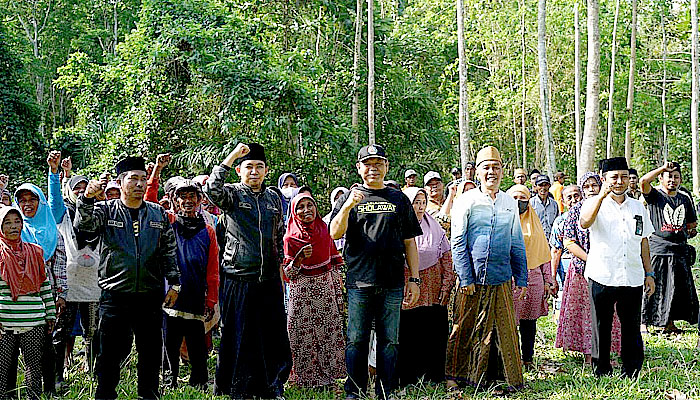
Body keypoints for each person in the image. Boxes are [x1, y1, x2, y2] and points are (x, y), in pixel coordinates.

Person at [75, 156, 181, 399]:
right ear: (120, 183)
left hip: (150, 295)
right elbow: (84, 227)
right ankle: (105, 395)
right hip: (115, 295)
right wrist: (87, 198)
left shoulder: (158, 214)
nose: (139, 184)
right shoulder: (105, 210)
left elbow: (168, 250)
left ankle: (149, 395)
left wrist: (175, 283)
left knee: (150, 353)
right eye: (133, 179)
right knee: (109, 354)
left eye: (143, 179)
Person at [329, 144, 421, 400]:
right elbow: (334, 233)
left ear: (386, 167)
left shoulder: (398, 198)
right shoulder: (348, 197)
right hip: (359, 281)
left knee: (389, 341)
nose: (373, 168)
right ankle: (354, 392)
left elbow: (409, 242)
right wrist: (347, 206)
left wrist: (414, 278)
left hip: (392, 281)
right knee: (356, 340)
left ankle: (385, 391)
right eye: (367, 164)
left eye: (378, 163)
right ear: (359, 168)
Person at [204, 143, 292, 398]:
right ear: (240, 170)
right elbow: (211, 189)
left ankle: (272, 386)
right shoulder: (232, 195)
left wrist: (281, 264)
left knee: (271, 335)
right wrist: (231, 157)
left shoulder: (274, 198)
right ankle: (236, 387)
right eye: (249, 167)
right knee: (238, 335)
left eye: (259, 167)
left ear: (266, 171)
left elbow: (278, 234)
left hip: (269, 280)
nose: (254, 172)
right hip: (238, 277)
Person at [446, 146, 527, 392]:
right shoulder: (466, 201)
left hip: (501, 276)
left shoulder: (509, 203)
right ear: (477, 172)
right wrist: (465, 276)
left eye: (496, 167)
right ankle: (454, 376)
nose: (492, 172)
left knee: (505, 328)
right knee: (464, 327)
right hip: (472, 278)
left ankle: (508, 378)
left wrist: (521, 277)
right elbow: (457, 241)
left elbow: (516, 241)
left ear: (502, 171)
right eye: (486, 167)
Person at [580, 157, 655, 378]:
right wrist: (601, 195)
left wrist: (648, 273)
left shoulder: (638, 206)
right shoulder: (593, 203)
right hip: (602, 274)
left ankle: (631, 369)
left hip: (631, 275)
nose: (619, 181)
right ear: (604, 179)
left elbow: (643, 241)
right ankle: (602, 369)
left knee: (631, 326)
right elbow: (584, 222)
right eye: (614, 177)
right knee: (601, 325)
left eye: (624, 177)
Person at [14, 150, 68, 393]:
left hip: (46, 297)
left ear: (39, 202)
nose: (27, 204)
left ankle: (50, 387)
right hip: (19, 299)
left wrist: (61, 294)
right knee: (18, 346)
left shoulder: (51, 228)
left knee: (48, 342)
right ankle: (17, 389)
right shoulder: (13, 231)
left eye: (32, 199)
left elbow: (59, 264)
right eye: (22, 200)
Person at [556, 172, 621, 364]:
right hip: (582, 270)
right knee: (587, 314)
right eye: (587, 187)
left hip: (610, 269)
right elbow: (569, 241)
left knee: (610, 312)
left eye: (594, 185)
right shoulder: (576, 210)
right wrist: (590, 259)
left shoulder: (610, 207)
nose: (591, 189)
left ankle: (608, 352)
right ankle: (589, 354)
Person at [283, 193, 346, 389]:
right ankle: (304, 379)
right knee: (302, 335)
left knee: (327, 333)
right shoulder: (290, 237)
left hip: (324, 292)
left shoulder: (323, 231)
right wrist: (299, 259)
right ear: (294, 211)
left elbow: (334, 264)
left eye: (309, 205)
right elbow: (288, 274)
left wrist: (338, 295)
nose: (306, 210)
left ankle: (328, 379)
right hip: (301, 295)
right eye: (300, 207)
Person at [162, 180, 219, 389]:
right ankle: (169, 381)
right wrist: (155, 174)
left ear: (200, 200)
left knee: (197, 344)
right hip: (171, 295)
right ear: (175, 201)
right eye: (183, 197)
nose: (188, 201)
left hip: (196, 294)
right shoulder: (169, 223)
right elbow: (147, 205)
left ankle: (200, 382)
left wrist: (211, 299)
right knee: (170, 343)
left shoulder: (208, 231)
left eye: (192, 196)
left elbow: (213, 270)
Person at [398, 187, 454, 386]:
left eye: (422, 202)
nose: (420, 207)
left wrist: (446, 286)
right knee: (408, 333)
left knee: (433, 333)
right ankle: (408, 378)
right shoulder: (398, 226)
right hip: (407, 289)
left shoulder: (435, 227)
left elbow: (447, 258)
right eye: (415, 202)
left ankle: (434, 376)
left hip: (432, 290)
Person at [0, 206, 57, 399]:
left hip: (34, 321)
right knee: (2, 367)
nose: (13, 227)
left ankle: (33, 396)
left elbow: (45, 285)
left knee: (34, 366)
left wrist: (50, 313)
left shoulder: (35, 252)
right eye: (7, 223)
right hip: (5, 323)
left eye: (17, 222)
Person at [640, 162, 698, 333]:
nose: (672, 180)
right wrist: (662, 167)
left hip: (679, 250)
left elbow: (692, 223)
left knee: (676, 288)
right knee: (652, 286)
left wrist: (689, 231)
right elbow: (643, 181)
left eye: (676, 177)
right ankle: (644, 323)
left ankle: (669, 323)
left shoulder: (684, 198)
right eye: (669, 176)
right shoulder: (655, 195)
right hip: (658, 249)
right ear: (661, 178)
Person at [506, 184, 555, 368]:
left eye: (523, 199)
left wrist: (548, 281)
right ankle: (510, 360)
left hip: (533, 279)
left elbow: (544, 253)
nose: (518, 202)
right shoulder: (503, 221)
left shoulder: (534, 223)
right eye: (514, 198)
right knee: (508, 322)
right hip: (508, 278)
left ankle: (527, 358)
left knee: (528, 322)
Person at [549, 185, 582, 300]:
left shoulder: (589, 217)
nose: (574, 200)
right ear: (563, 201)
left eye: (576, 196)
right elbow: (556, 250)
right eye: (569, 197)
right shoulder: (560, 221)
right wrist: (552, 277)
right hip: (567, 268)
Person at [530, 174, 559, 240]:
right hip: (536, 239)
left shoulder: (554, 204)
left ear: (549, 186)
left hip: (551, 240)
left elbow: (557, 223)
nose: (543, 188)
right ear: (536, 187)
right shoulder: (531, 203)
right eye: (540, 185)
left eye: (545, 185)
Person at [322, 187, 349, 252]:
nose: (339, 201)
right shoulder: (325, 221)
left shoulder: (356, 217)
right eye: (336, 198)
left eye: (342, 198)